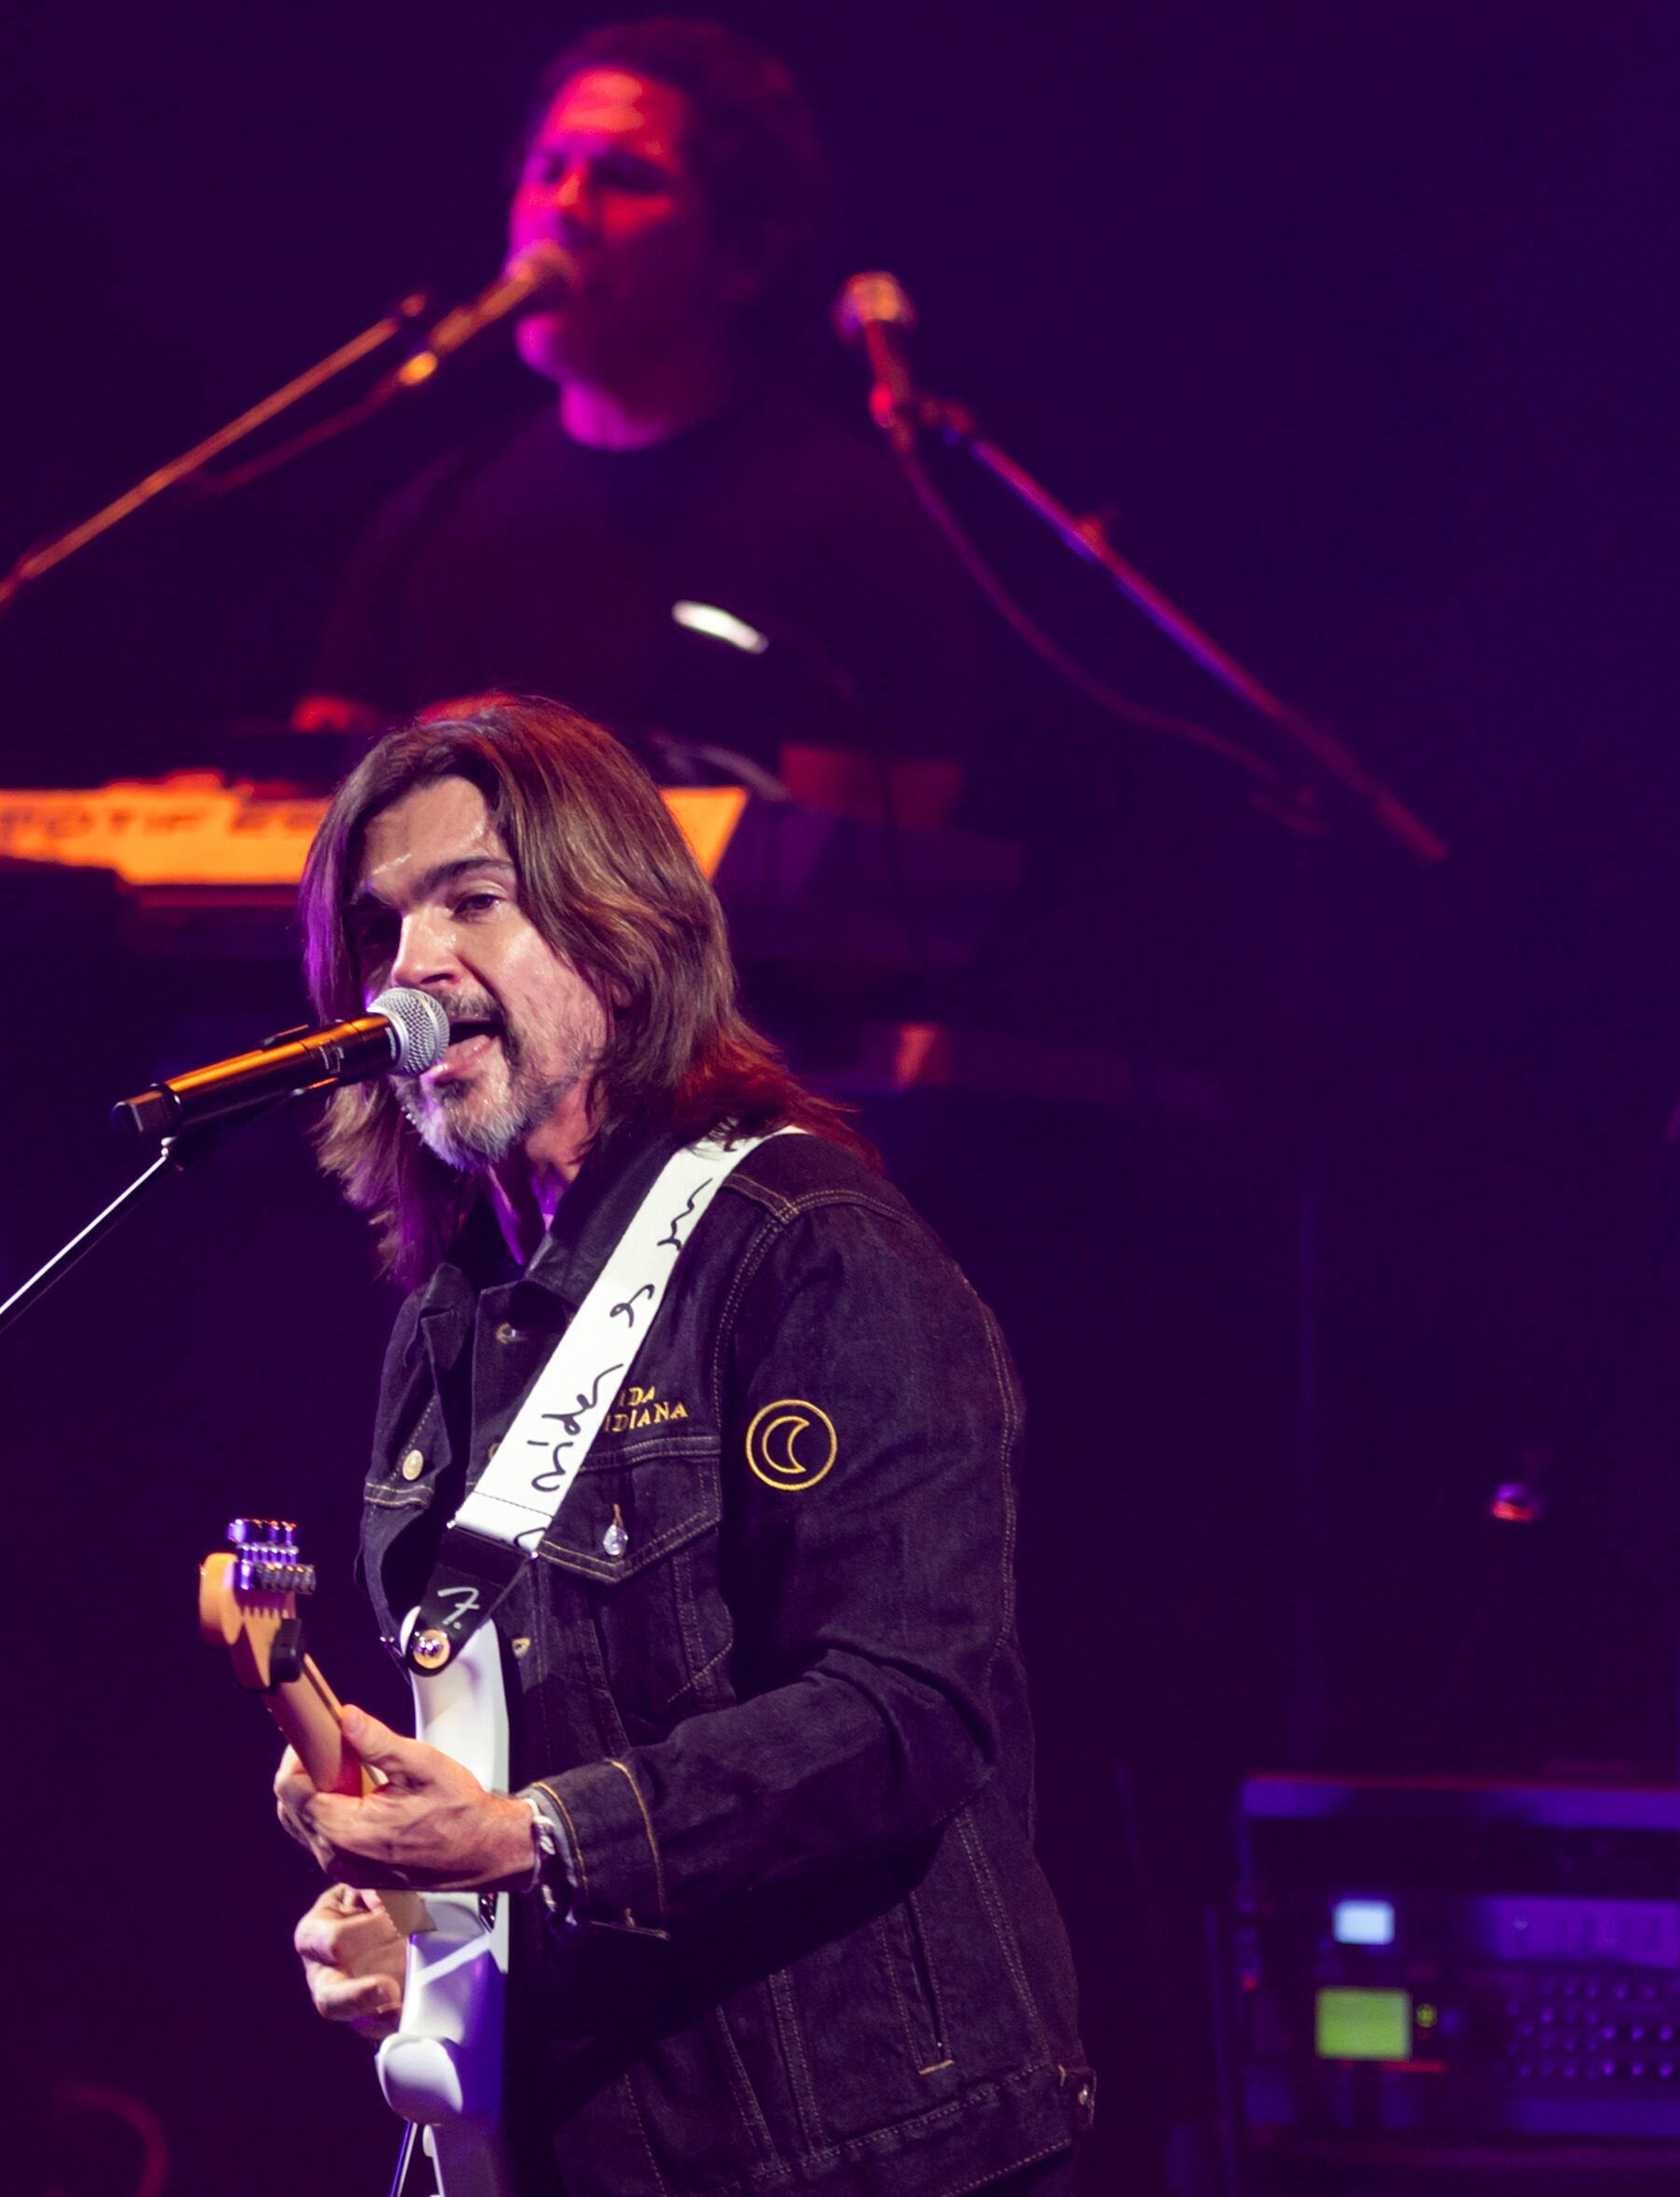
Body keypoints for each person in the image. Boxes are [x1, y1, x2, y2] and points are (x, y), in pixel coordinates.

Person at [272, 697, 1089, 2195]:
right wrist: (421, 1936)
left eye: (472, 899)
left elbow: (906, 1706)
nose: (413, 971)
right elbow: (524, 1762)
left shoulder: (809, 1250)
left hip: (859, 2151)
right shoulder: (448, 1321)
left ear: (617, 929)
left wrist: (526, 1835)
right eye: (380, 929)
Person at [297, 20, 975, 829]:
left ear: (743, 256)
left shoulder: (849, 518)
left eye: (623, 179)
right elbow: (318, 827)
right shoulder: (431, 513)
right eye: (548, 171)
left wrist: (534, 761)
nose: (566, 209)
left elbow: (857, 894)